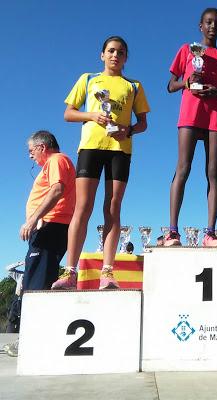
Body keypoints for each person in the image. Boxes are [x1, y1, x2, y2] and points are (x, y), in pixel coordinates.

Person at [51, 36, 150, 290]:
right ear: (102, 55)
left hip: (120, 150)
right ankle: (70, 272)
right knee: (83, 207)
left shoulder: (134, 85)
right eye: (111, 51)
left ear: (126, 58)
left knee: (113, 208)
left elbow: (143, 123)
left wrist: (127, 131)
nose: (115, 55)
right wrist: (92, 115)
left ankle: (107, 272)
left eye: (121, 52)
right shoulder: (88, 79)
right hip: (91, 147)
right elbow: (68, 113)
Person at [163, 8, 217, 247]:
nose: (212, 26)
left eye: (216, 23)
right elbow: (170, 85)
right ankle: (173, 232)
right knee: (183, 168)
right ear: (200, 25)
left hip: (216, 116)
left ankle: (210, 233)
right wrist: (186, 82)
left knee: (213, 171)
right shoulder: (187, 49)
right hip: (190, 114)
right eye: (208, 22)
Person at [21, 131, 76, 291]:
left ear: (42, 147)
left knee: (36, 283)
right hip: (49, 227)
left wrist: (32, 220)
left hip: (50, 227)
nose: (30, 156)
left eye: (31, 151)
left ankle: (32, 314)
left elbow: (57, 189)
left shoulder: (56, 160)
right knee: (37, 277)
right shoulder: (56, 162)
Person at [5, 261, 24, 333]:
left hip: (27, 300)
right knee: (11, 322)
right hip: (17, 299)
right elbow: (8, 269)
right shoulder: (21, 275)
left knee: (23, 323)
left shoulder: (37, 276)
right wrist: (20, 263)